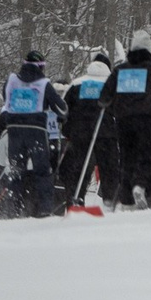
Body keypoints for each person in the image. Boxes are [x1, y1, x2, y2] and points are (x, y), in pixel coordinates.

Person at [0, 50, 63, 218]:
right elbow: (61, 108)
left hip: (14, 131)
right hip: (36, 131)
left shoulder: (12, 81)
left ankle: (13, 209)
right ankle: (44, 209)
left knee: (16, 170)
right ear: (41, 67)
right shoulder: (43, 84)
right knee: (42, 170)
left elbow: (7, 99)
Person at [100, 36, 151, 208]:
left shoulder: (120, 69)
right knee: (148, 154)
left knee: (127, 157)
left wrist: (110, 105)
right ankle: (141, 184)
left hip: (123, 120)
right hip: (147, 118)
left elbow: (104, 95)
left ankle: (127, 197)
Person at [57, 56, 116, 208]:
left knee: (79, 168)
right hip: (106, 134)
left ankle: (76, 199)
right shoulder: (112, 83)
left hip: (79, 134)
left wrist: (68, 131)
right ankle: (111, 199)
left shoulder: (77, 83)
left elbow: (63, 111)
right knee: (109, 168)